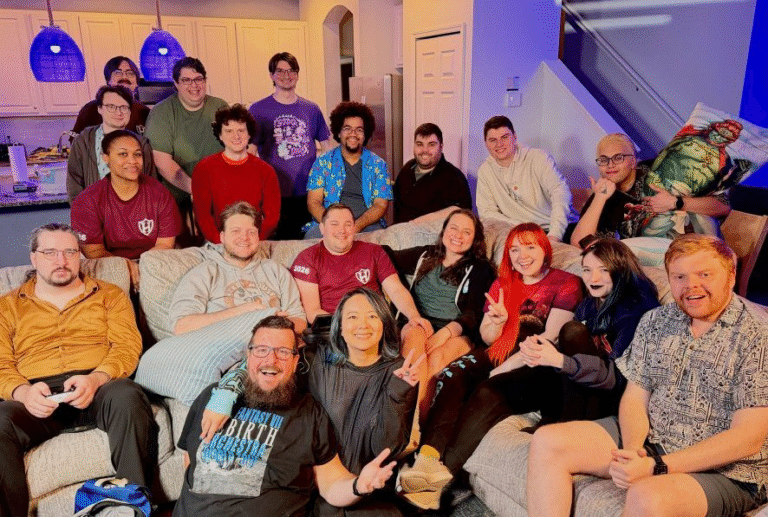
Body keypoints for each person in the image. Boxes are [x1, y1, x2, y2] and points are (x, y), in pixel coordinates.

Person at [527, 234, 768, 517]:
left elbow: (747, 438)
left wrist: (658, 466)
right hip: (653, 440)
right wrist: (632, 452)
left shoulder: (758, 334)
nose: (691, 285)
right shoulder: (657, 320)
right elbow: (635, 396)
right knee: (548, 441)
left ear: (731, 274)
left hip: (728, 471)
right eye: (679, 276)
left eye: (705, 274)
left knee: (647, 496)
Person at [398, 223, 582, 510]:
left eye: (530, 247)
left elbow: (550, 337)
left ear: (545, 249)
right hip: (498, 352)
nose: (522, 256)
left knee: (485, 391)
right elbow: (486, 338)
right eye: (514, 250)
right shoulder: (502, 284)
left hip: (537, 364)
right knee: (451, 375)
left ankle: (439, 480)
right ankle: (427, 458)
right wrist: (497, 322)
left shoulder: (566, 282)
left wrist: (499, 371)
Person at [0, 223, 157, 517]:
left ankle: (133, 507)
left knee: (128, 394)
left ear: (79, 256)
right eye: (50, 252)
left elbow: (126, 347)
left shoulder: (110, 295)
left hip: (97, 387)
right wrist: (22, 392)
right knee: (0, 419)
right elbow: (1, 364)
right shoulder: (7, 306)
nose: (61, 261)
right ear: (34, 258)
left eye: (70, 252)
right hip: (36, 396)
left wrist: (96, 378)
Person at [172, 315, 399, 517]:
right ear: (248, 356)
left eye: (282, 352)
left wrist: (358, 485)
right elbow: (190, 462)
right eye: (261, 350)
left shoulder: (309, 412)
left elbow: (332, 483)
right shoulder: (211, 398)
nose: (271, 360)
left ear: (294, 361)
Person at [387, 209, 496, 421]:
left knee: (437, 358)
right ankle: (411, 424)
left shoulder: (480, 269)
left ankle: (414, 424)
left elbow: (473, 315)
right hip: (421, 323)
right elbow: (385, 255)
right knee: (415, 341)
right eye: (453, 228)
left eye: (466, 232)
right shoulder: (426, 255)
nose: (458, 235)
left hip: (457, 332)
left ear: (475, 239)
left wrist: (444, 334)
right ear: (444, 231)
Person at [168, 201, 306, 336]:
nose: (244, 237)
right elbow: (181, 327)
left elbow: (299, 320)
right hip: (223, 345)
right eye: (235, 231)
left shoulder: (277, 271)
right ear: (222, 237)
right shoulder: (204, 273)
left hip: (272, 344)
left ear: (258, 237)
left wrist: (272, 327)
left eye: (251, 232)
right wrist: (243, 312)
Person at [290, 204, 432, 335]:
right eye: (334, 224)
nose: (342, 230)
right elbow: (313, 312)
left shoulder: (374, 251)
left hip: (376, 325)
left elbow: (396, 290)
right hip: (335, 329)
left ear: (354, 228)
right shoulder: (307, 258)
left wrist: (413, 316)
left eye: (348, 224)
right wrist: (351, 327)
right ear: (322, 228)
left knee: (416, 332)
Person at [570, 133, 731, 248]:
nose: (610, 165)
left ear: (633, 161)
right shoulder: (603, 197)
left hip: (692, 245)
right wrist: (599, 198)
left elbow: (722, 207)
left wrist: (676, 202)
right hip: (648, 256)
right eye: (603, 160)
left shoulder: (660, 171)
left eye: (618, 158)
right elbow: (578, 244)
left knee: (702, 221)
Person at [70, 129, 181, 290]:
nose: (132, 161)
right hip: (107, 264)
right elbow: (93, 252)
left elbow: (165, 244)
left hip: (151, 262)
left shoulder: (160, 194)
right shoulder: (87, 200)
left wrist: (143, 268)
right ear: (105, 158)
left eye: (137, 154)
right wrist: (123, 265)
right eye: (123, 154)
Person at [248, 52, 333, 240]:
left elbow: (327, 148)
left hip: (309, 193)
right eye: (280, 71)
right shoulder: (258, 110)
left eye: (291, 70)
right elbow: (251, 153)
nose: (286, 75)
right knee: (279, 243)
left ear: (297, 74)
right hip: (274, 193)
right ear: (271, 75)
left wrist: (328, 181)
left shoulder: (311, 109)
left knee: (308, 241)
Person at [144, 57, 228, 245]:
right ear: (176, 84)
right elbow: (162, 162)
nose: (194, 85)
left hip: (219, 194)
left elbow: (234, 146)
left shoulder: (220, 106)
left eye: (198, 79)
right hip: (178, 199)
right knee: (185, 250)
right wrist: (197, 190)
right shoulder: (161, 113)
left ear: (205, 80)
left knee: (222, 245)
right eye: (186, 80)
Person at [476, 116, 575, 241]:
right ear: (486, 144)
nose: (499, 144)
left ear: (515, 137)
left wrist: (555, 234)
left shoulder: (538, 158)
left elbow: (560, 193)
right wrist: (523, 227)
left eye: (504, 137)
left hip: (558, 228)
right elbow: (487, 213)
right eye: (492, 140)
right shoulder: (485, 170)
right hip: (521, 231)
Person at [192, 105, 281, 242]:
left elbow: (272, 216)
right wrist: (220, 242)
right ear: (220, 135)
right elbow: (202, 216)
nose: (236, 136)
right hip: (218, 242)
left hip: (255, 240)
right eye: (229, 131)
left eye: (241, 130)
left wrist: (255, 240)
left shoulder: (266, 170)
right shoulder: (204, 169)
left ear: (249, 134)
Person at [305, 102, 392, 238]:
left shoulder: (378, 165)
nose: (353, 134)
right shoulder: (322, 162)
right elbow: (313, 202)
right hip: (330, 223)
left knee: (383, 241)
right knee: (311, 237)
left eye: (359, 130)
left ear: (365, 134)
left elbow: (380, 205)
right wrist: (333, 225)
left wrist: (356, 226)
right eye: (347, 128)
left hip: (367, 226)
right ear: (339, 133)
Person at [67, 85, 156, 202]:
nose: (119, 112)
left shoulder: (142, 144)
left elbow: (151, 185)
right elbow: (74, 183)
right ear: (100, 109)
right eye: (111, 107)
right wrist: (83, 211)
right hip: (93, 209)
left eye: (124, 107)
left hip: (134, 210)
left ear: (130, 111)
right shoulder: (83, 141)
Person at [393, 123, 472, 224]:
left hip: (431, 232)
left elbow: (463, 214)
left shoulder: (454, 177)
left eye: (431, 144)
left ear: (441, 146)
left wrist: (421, 221)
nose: (425, 150)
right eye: (419, 144)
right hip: (399, 230)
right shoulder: (407, 168)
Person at [71, 56, 150, 135]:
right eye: (118, 73)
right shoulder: (90, 110)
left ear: (136, 83)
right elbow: (75, 140)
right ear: (108, 80)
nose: (124, 77)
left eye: (130, 73)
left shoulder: (144, 112)